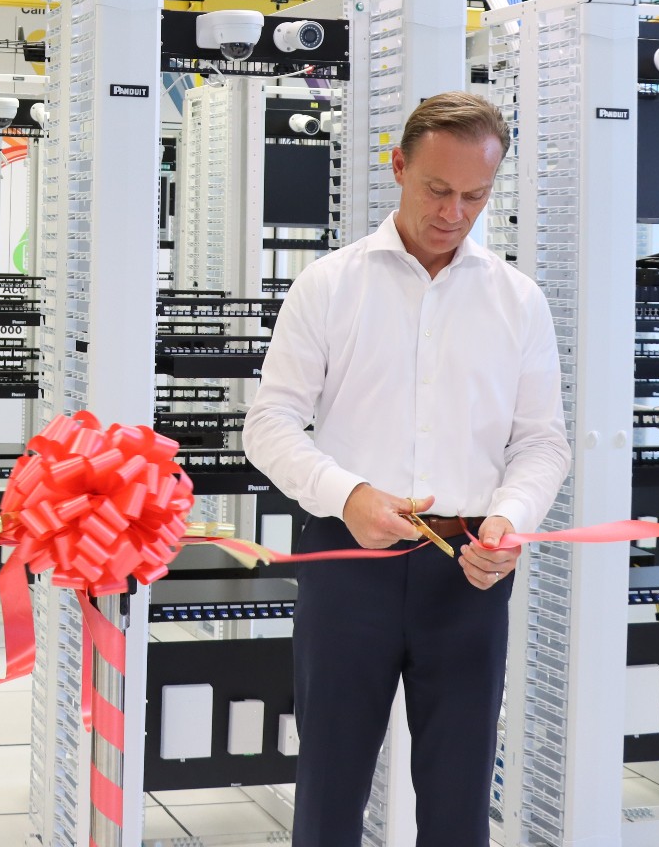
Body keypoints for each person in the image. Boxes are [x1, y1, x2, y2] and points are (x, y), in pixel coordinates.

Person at [242, 91, 570, 847]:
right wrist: (348, 494)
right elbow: (270, 423)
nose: (454, 211)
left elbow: (542, 442)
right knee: (330, 786)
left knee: (459, 800)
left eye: (475, 196)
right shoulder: (329, 285)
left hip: (470, 568)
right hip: (347, 558)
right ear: (397, 166)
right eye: (437, 189)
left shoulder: (518, 302)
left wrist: (510, 520)